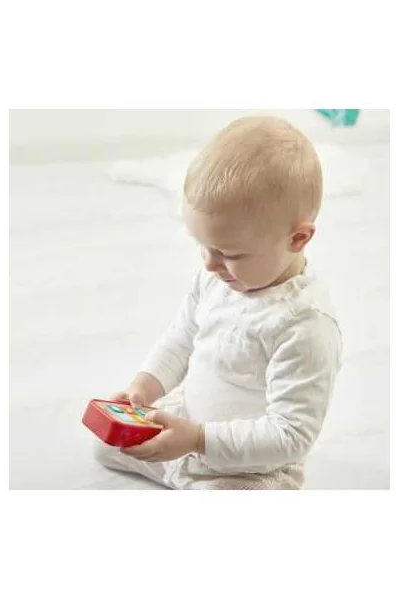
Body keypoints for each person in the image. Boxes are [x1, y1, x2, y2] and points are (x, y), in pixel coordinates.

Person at [94, 116, 342, 489]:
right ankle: (181, 464)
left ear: (297, 239)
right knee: (106, 446)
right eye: (203, 246)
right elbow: (181, 339)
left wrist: (198, 440)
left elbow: (291, 435)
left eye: (229, 253)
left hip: (250, 464)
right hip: (188, 421)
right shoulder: (216, 279)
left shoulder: (305, 327)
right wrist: (143, 388)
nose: (209, 264)